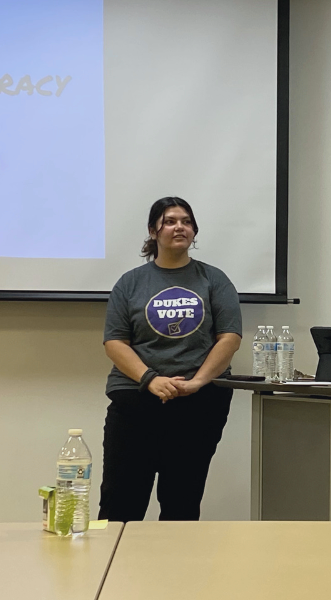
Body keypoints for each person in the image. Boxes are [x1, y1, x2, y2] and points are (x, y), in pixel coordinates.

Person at [98, 196, 242, 522]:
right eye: (170, 221)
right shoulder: (130, 283)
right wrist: (151, 379)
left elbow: (230, 337)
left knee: (182, 502)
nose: (180, 227)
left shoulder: (214, 280)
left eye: (187, 221)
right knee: (120, 503)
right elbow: (115, 342)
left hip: (199, 402)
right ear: (153, 231)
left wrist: (198, 382)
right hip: (135, 399)